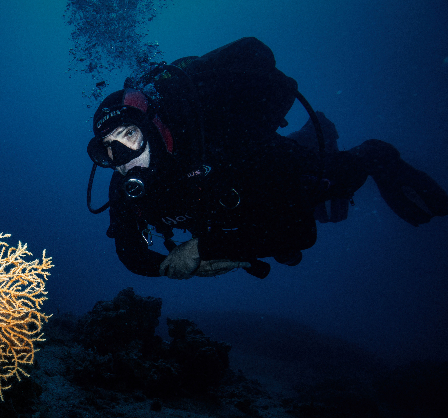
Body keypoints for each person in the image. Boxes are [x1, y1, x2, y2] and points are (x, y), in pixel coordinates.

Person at [86, 37, 448, 279]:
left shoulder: (223, 147)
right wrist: (176, 265)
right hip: (242, 206)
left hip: (278, 168)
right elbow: (130, 254)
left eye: (129, 137)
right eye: (107, 149)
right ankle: (314, 132)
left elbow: (299, 231)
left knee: (337, 181)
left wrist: (203, 247)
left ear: (155, 129)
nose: (122, 159)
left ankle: (371, 151)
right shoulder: (126, 187)